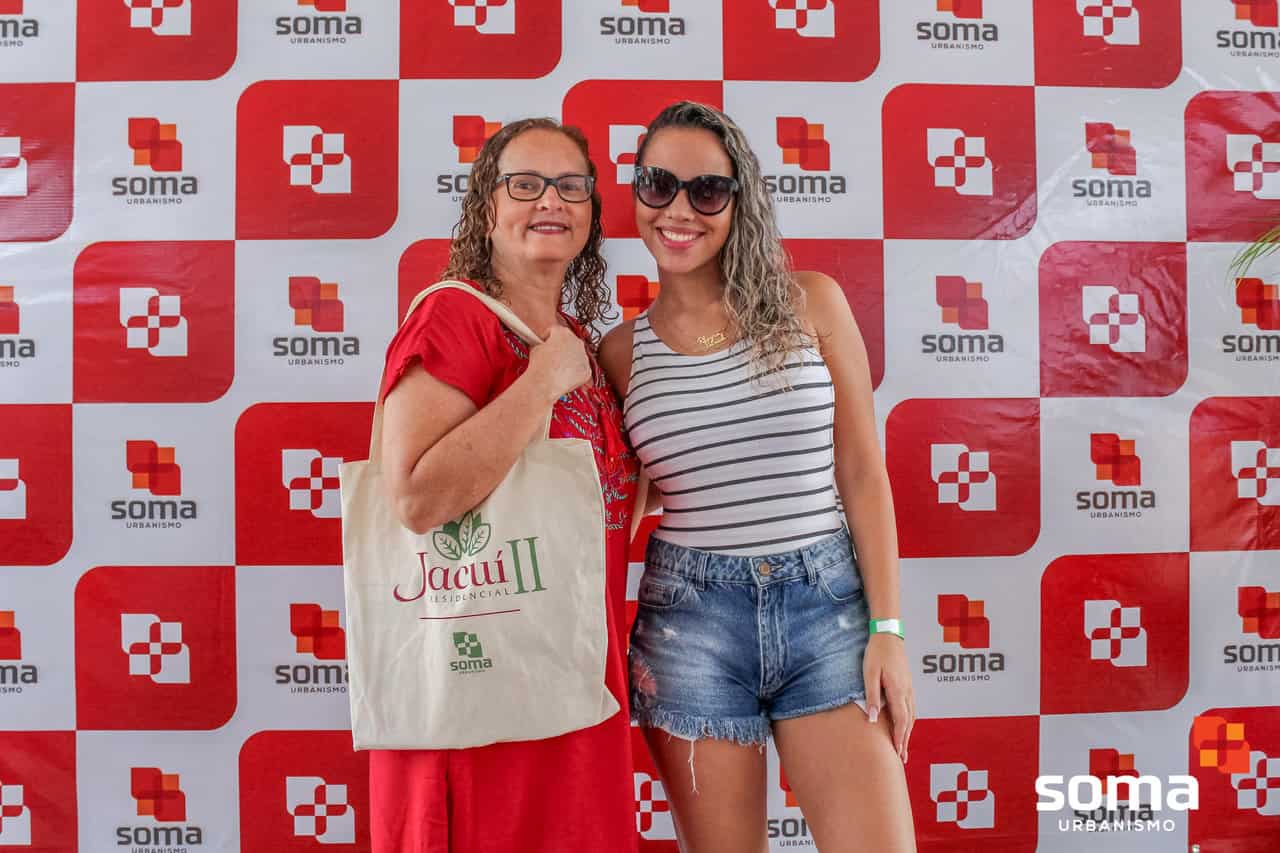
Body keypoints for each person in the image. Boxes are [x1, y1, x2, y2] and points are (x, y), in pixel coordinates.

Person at [598, 101, 917, 853]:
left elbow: (862, 473)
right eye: (659, 185)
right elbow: (618, 509)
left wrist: (889, 631)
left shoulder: (813, 303)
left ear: (740, 200)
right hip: (690, 622)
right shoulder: (619, 354)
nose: (680, 210)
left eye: (707, 190)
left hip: (825, 607)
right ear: (637, 193)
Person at [374, 117, 639, 853]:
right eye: (524, 184)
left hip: (575, 671)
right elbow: (417, 498)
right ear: (486, 208)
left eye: (570, 186)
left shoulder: (579, 341)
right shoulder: (452, 315)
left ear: (591, 213)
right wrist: (540, 383)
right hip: (482, 677)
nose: (550, 200)